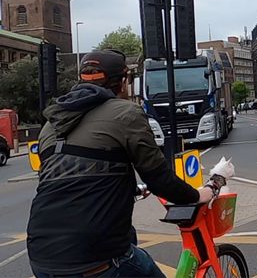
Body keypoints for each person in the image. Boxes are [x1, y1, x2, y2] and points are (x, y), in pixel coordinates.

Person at [26, 50, 234, 278]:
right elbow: (160, 180)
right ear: (124, 82)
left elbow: (70, 179)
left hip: (40, 253)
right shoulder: (126, 113)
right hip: (96, 256)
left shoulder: (51, 124)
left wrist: (131, 189)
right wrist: (202, 193)